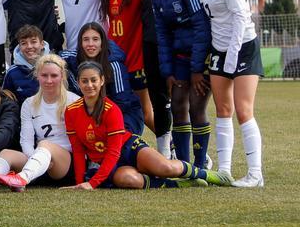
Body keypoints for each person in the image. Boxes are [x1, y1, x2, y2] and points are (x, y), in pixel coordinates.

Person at [63, 61, 229, 189]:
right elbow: (78, 150)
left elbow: (114, 151)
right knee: (129, 180)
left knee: (165, 168)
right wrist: (80, 183)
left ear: (102, 81)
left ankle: (207, 175)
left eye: (93, 80)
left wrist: (92, 184)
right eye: (84, 81)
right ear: (78, 82)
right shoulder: (71, 111)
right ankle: (177, 184)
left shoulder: (112, 109)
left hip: (128, 149)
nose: (89, 85)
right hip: (107, 162)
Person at [192, 0, 264, 187]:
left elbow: (240, 17)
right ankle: (224, 170)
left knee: (243, 110)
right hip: (219, 49)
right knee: (223, 109)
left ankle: (255, 174)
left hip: (242, 46)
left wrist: (232, 53)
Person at [94, 0, 166, 153]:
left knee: (146, 111)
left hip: (137, 59)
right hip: (116, 60)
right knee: (117, 108)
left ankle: (172, 146)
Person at [148, 0, 211, 166]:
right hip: (179, 59)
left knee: (196, 106)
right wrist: (168, 72)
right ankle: (184, 166)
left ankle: (201, 165)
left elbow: (202, 26)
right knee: (177, 105)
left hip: (200, 57)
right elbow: (162, 34)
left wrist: (198, 69)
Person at [140, 0, 195, 156]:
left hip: (177, 42)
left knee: (183, 101)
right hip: (153, 38)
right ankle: (165, 152)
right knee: (158, 97)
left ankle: (193, 156)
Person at [0, 54, 80, 191]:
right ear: (37, 76)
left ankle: (21, 179)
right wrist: (35, 158)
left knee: (44, 144)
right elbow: (26, 140)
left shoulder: (74, 101)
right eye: (44, 75)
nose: (49, 80)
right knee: (6, 153)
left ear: (62, 76)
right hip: (39, 162)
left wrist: (47, 155)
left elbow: (80, 142)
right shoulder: (29, 103)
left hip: (65, 166)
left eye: (54, 76)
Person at [63, 22, 148, 137]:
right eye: (86, 39)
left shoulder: (113, 64)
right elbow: (55, 60)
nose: (90, 44)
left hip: (123, 114)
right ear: (80, 43)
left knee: (110, 139)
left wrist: (100, 121)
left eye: (95, 39)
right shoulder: (73, 58)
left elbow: (123, 101)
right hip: (92, 113)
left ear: (102, 43)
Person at [3, 25, 49, 102]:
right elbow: (6, 101)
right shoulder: (12, 73)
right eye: (24, 43)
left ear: (42, 44)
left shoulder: (56, 67)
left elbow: (69, 96)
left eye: (33, 42)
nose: (29, 46)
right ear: (19, 47)